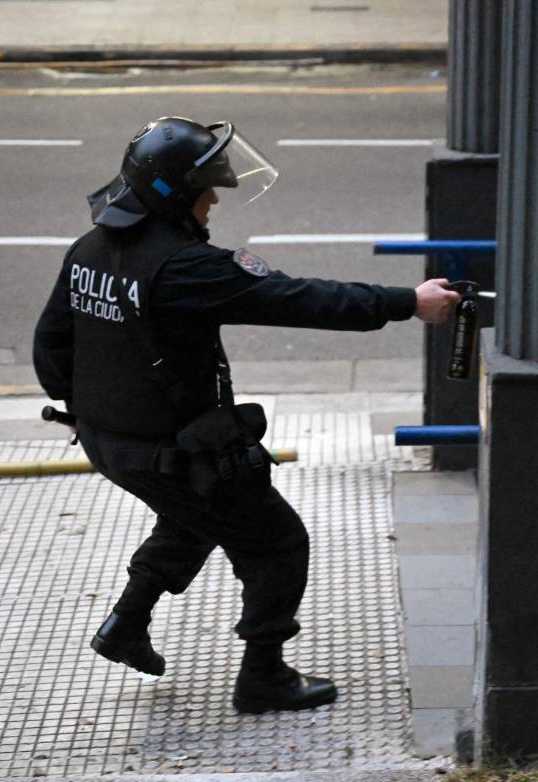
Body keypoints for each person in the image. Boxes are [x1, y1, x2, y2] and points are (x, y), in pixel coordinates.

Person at [32, 117, 459, 714]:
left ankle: (124, 628)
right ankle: (264, 677)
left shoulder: (90, 250)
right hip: (166, 450)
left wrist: (84, 413)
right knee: (277, 542)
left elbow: (51, 342)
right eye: (205, 189)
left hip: (111, 445)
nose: (213, 200)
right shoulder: (186, 267)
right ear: (173, 196)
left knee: (196, 516)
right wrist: (408, 303)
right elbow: (299, 298)